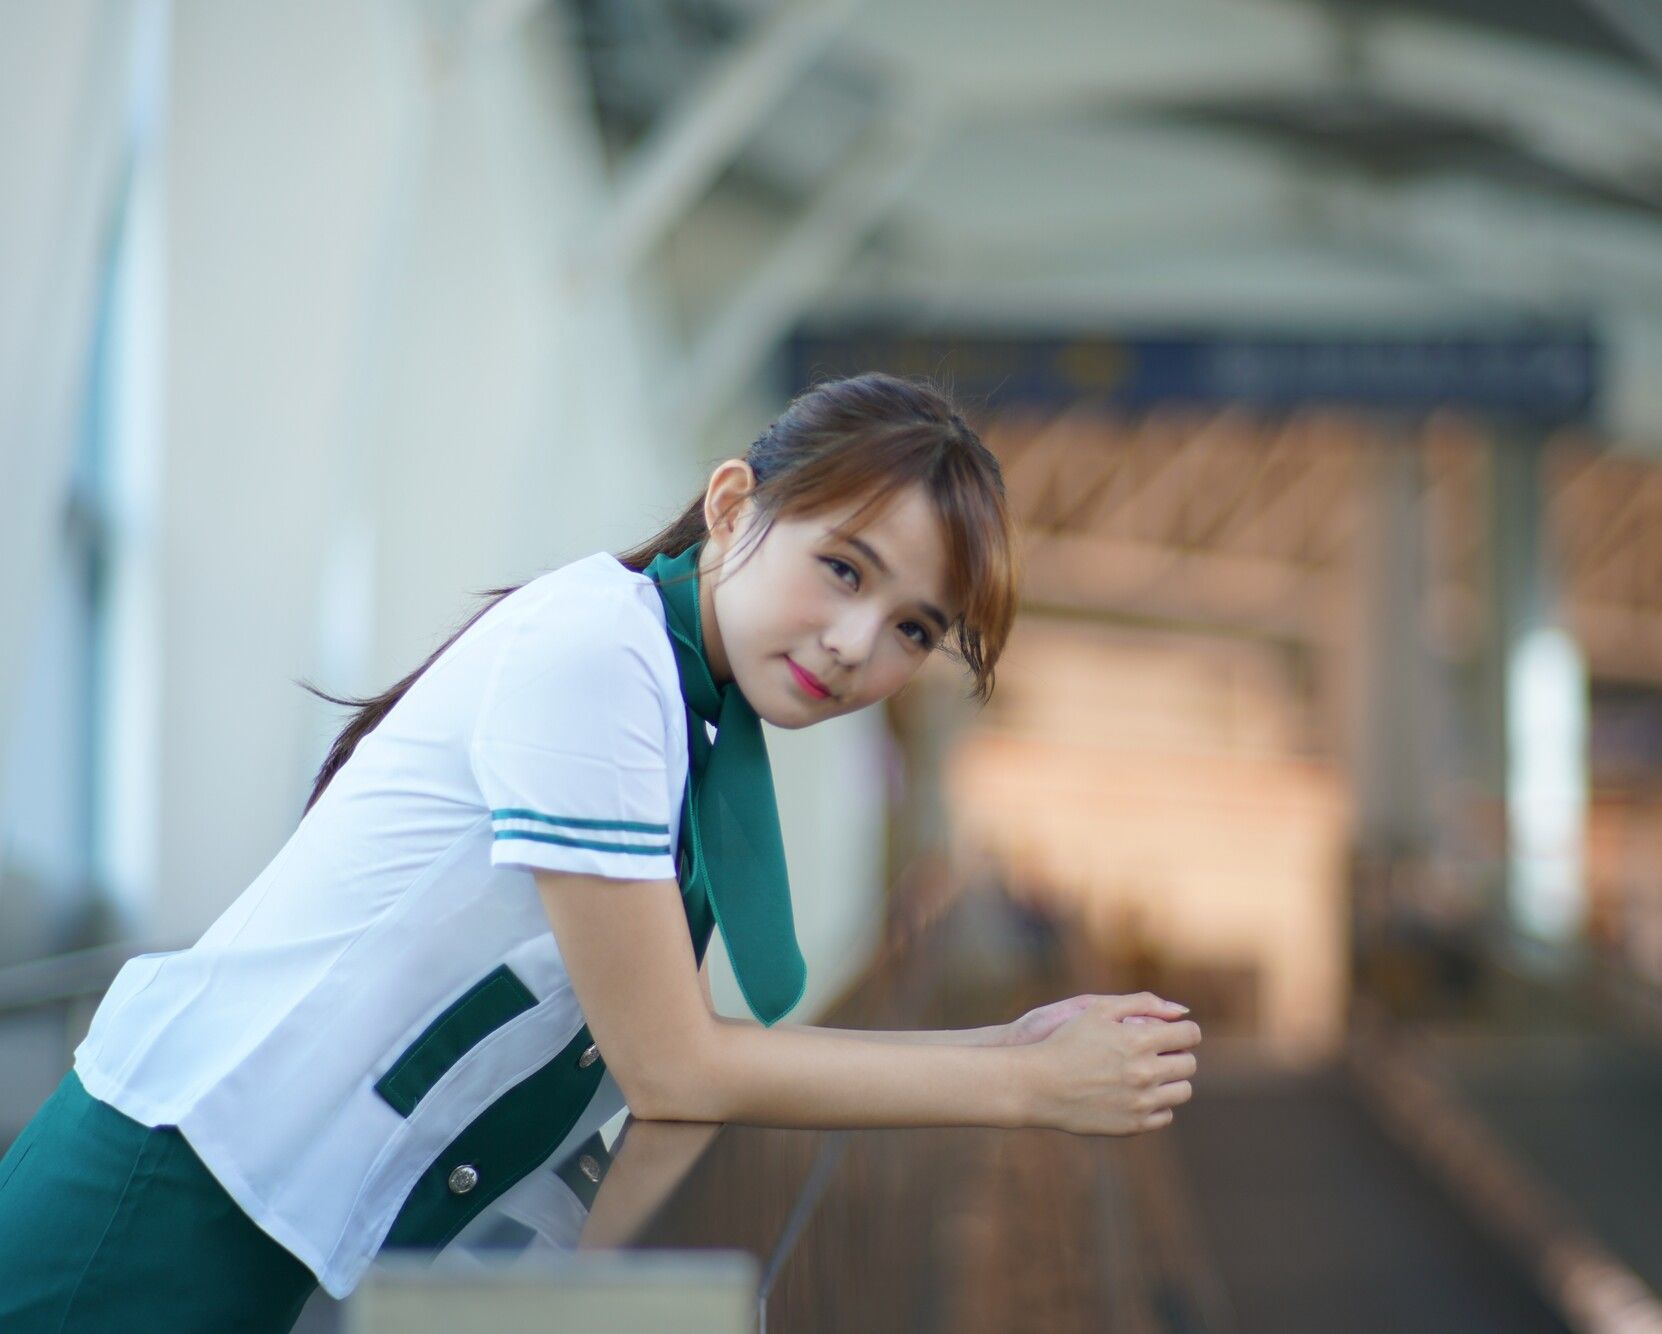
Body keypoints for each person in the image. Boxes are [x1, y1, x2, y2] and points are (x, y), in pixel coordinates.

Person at [0, 372, 1200, 1331]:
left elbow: (663, 1076)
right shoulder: (602, 659)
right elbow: (674, 1064)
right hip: (157, 1200)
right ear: (732, 503)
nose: (852, 645)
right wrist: (1021, 1087)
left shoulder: (686, 715)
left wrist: (1014, 1036)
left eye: (910, 630)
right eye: (841, 567)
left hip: (258, 1219)